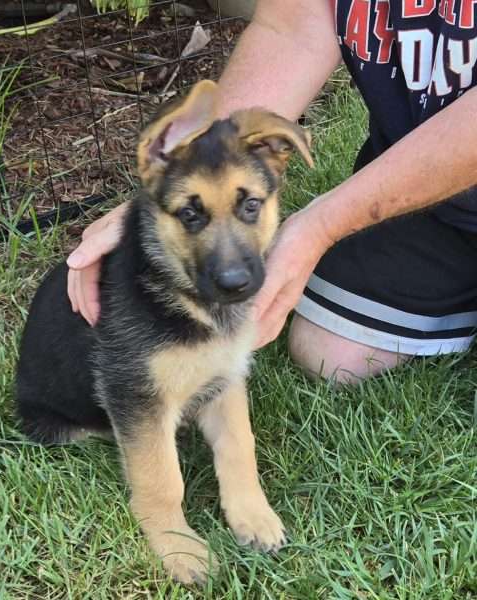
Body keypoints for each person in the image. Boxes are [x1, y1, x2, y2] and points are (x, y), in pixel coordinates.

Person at [66, 0, 477, 384]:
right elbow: (292, 29)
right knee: (331, 355)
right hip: (434, 198)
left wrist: (322, 224)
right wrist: (179, 184)